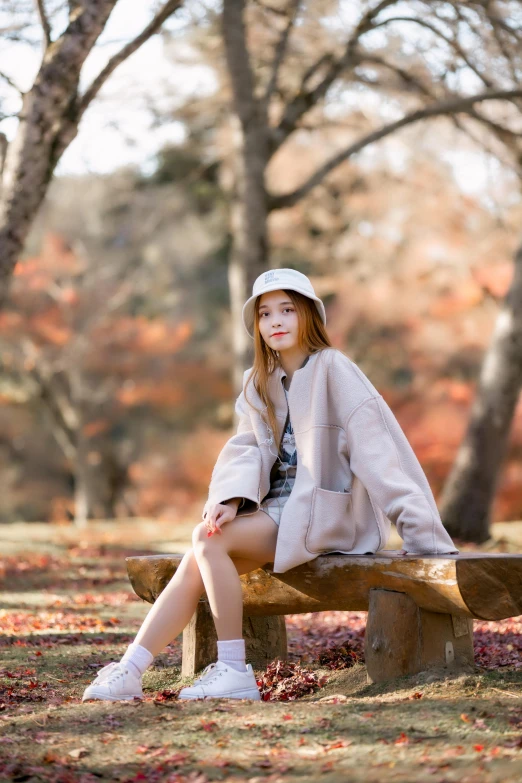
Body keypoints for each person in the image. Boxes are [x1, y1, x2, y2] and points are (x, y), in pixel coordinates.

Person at [82, 268, 458, 703]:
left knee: (205, 543)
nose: (275, 321)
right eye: (265, 313)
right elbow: (246, 449)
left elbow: (381, 455)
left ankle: (232, 670)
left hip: (321, 517)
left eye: (287, 310)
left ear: (308, 316)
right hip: (273, 514)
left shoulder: (336, 370)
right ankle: (129, 670)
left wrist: (423, 534)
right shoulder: (259, 380)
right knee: (196, 558)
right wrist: (228, 499)